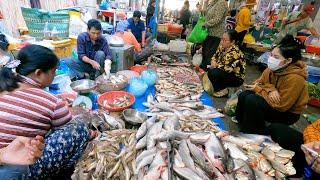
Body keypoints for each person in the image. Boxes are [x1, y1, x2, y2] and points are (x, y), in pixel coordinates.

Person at [0, 45, 90, 179]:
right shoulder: (51, 101)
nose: (54, 76)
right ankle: (63, 174)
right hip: (19, 166)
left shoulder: (6, 83)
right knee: (80, 130)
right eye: (53, 72)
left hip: (5, 156)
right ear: (38, 73)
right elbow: (67, 125)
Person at [235, 35, 309, 135]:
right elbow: (257, 83)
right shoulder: (271, 69)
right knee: (245, 94)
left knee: (253, 100)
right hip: (274, 102)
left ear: (288, 61)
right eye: (271, 55)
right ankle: (244, 123)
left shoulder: (296, 78)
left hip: (287, 113)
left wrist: (260, 90)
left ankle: (256, 132)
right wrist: (270, 89)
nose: (271, 59)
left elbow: (282, 105)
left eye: (276, 57)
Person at [207, 30, 246, 97]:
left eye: (224, 40)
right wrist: (213, 61)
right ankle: (218, 88)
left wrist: (215, 65)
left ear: (232, 42)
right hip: (223, 71)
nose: (222, 42)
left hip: (235, 77)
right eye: (222, 39)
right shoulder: (222, 46)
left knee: (214, 72)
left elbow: (228, 69)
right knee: (209, 67)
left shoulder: (235, 52)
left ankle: (224, 90)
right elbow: (215, 56)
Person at [200, 0, 228, 70]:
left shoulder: (222, 3)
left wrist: (205, 24)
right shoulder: (214, 2)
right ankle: (203, 71)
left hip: (215, 34)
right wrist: (205, 3)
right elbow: (206, 14)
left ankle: (207, 74)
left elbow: (217, 19)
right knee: (205, 52)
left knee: (209, 55)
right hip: (208, 33)